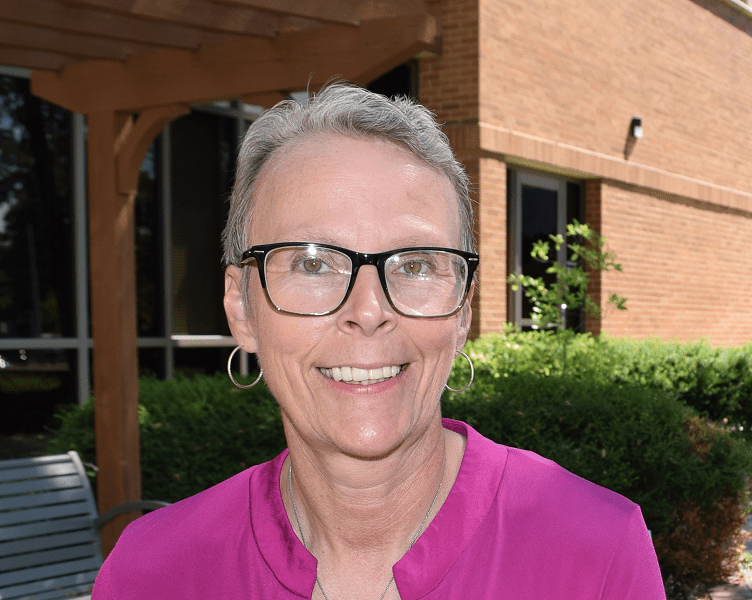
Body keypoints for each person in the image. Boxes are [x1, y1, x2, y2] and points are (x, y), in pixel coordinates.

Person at [92, 83, 666, 600]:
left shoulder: (596, 554)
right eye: (312, 264)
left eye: (415, 264)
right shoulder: (151, 573)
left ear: (463, 309)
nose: (369, 312)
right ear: (242, 307)